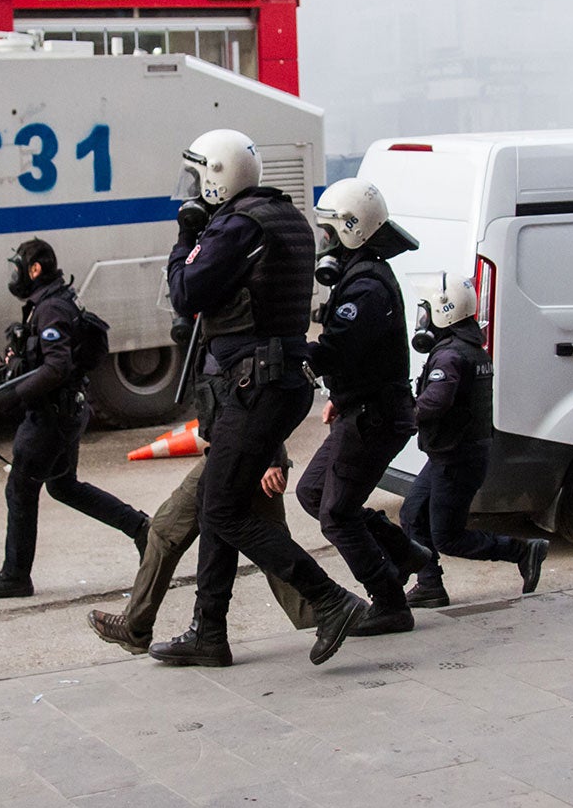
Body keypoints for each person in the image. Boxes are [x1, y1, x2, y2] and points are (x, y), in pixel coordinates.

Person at [149, 129, 370, 667]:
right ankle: (209, 631)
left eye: (200, 175)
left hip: (253, 386)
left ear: (218, 176)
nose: (195, 188)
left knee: (222, 508)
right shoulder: (285, 218)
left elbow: (186, 292)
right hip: (272, 382)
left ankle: (329, 599)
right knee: (216, 504)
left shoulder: (237, 224)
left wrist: (185, 239)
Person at [0, 238, 149, 599]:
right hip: (67, 411)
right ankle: (140, 527)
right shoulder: (55, 301)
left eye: (20, 268)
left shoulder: (51, 308)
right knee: (64, 486)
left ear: (34, 269)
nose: (16, 275)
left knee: (21, 489)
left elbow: (56, 367)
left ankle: (15, 575)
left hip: (50, 417)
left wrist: (14, 396)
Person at [294, 179, 421, 636]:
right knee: (313, 494)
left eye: (328, 232)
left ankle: (389, 602)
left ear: (351, 230)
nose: (323, 242)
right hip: (358, 411)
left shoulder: (366, 286)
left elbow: (338, 348)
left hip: (375, 419)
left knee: (337, 515)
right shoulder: (358, 273)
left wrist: (294, 357)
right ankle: (404, 552)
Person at [399, 274, 548, 607]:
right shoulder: (470, 348)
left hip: (457, 459)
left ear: (443, 313)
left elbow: (436, 400)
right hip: (452, 454)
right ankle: (430, 586)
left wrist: (403, 414)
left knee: (448, 537)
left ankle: (522, 551)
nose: (422, 321)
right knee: (412, 515)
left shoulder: (450, 355)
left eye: (426, 312)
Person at [87, 455, 314, 653]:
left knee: (167, 530)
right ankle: (321, 617)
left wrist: (270, 458)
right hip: (238, 448)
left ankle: (135, 626)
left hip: (241, 450)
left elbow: (268, 404)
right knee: (270, 545)